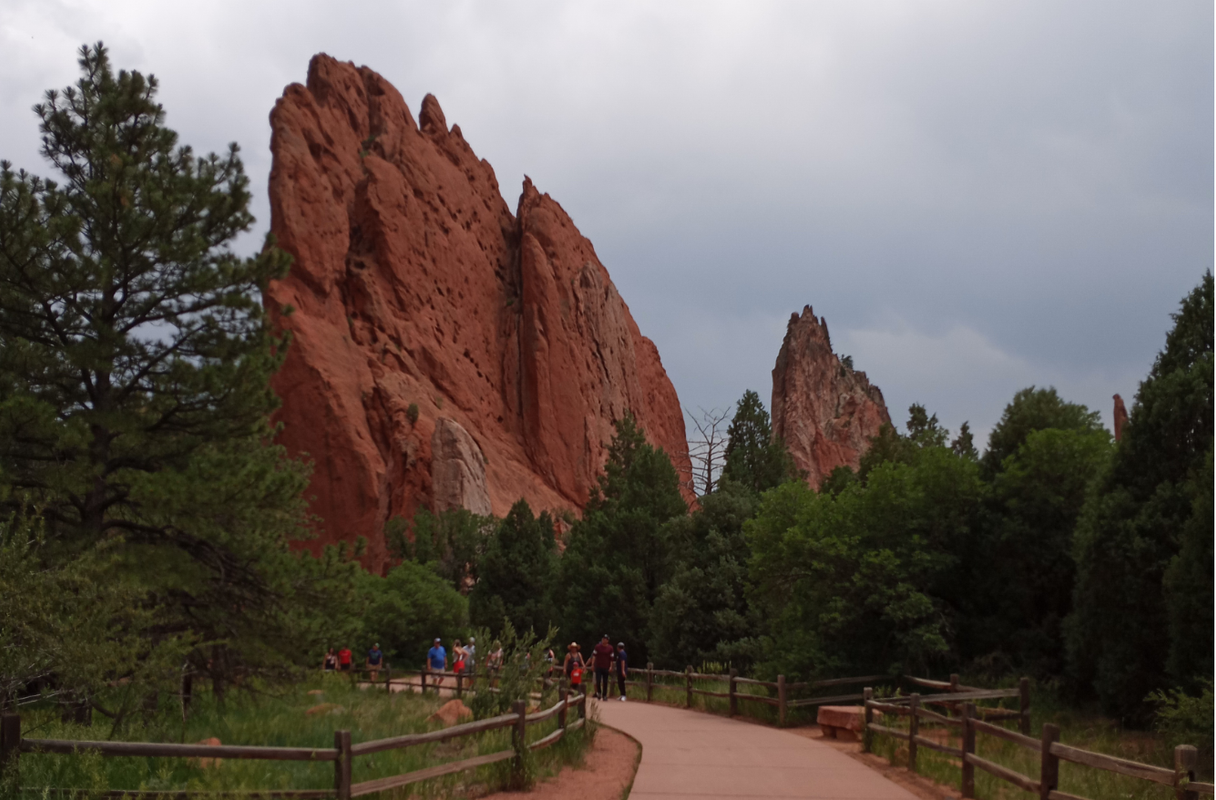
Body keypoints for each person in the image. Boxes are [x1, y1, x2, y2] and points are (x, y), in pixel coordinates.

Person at [591, 634, 615, 701]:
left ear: (608, 640)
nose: (604, 640)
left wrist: (611, 666)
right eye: (603, 639)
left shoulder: (610, 648)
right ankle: (599, 693)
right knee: (598, 680)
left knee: (605, 681)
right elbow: (594, 655)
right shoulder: (597, 647)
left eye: (606, 639)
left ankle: (604, 695)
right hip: (598, 666)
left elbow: (612, 658)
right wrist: (592, 664)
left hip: (606, 667)